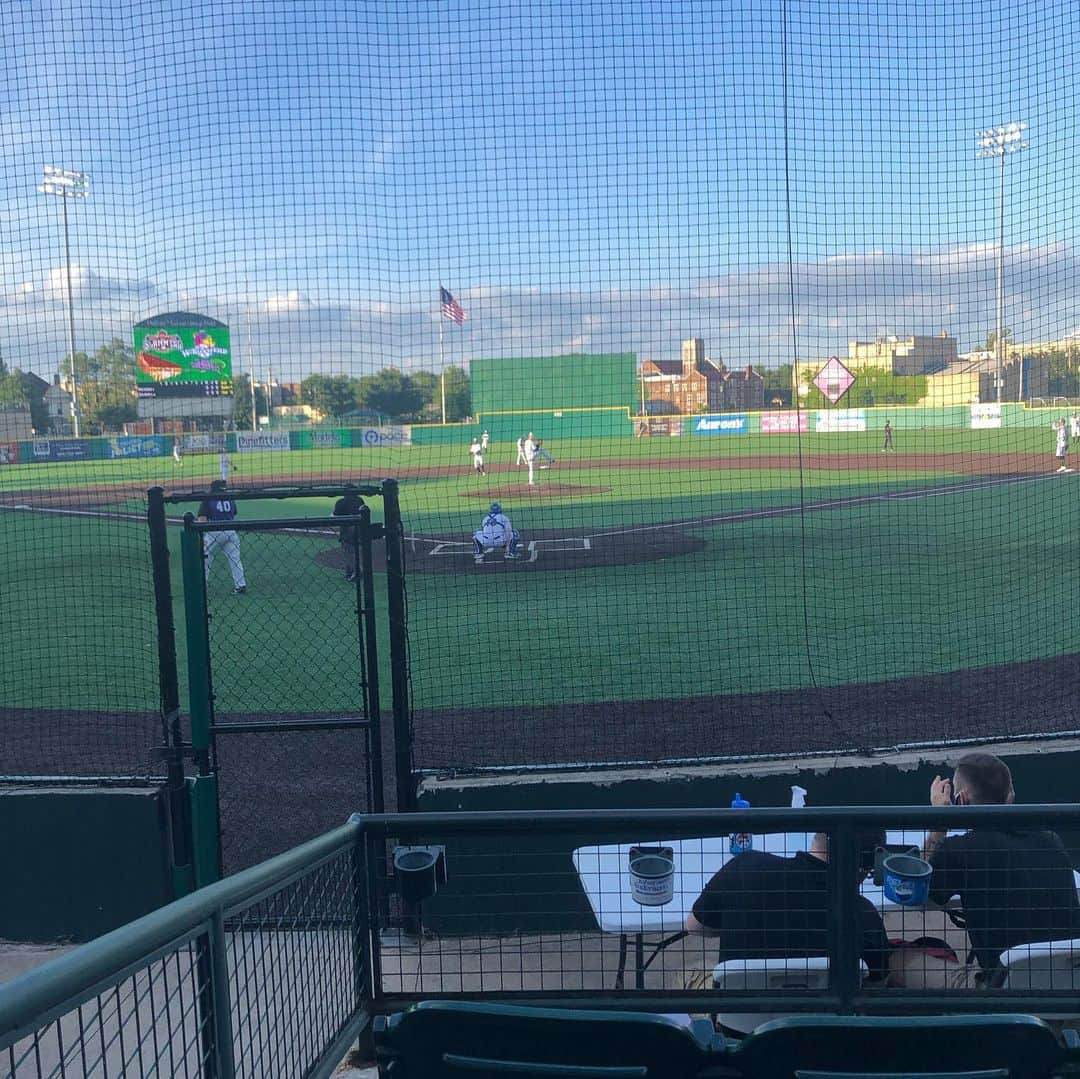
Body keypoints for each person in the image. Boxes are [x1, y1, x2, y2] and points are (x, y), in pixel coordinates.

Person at [919, 752, 1080, 975]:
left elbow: (920, 893)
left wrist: (938, 822)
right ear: (1010, 796)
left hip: (1001, 990)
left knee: (899, 959)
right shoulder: (1050, 839)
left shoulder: (961, 849)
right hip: (1069, 984)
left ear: (961, 801)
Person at [685, 829, 891, 984]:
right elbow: (876, 985)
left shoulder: (745, 866)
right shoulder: (865, 915)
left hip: (737, 1032)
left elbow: (694, 926)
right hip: (825, 1034)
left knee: (692, 970)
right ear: (867, 863)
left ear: (816, 838)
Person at [197, 480, 247, 594]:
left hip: (214, 532)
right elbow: (234, 513)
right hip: (231, 531)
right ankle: (241, 585)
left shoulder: (208, 497)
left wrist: (204, 537)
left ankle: (201, 586)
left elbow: (202, 519)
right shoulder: (229, 497)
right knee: (235, 559)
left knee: (205, 559)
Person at [333, 485, 365, 582]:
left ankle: (357, 572)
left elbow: (335, 517)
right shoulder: (359, 500)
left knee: (348, 551)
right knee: (353, 550)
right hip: (359, 528)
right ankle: (349, 571)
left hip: (347, 529)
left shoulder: (341, 502)